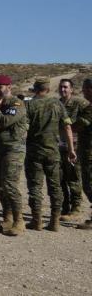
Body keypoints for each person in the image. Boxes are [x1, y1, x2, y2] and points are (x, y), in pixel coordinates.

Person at [24, 78, 76, 231]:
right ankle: (54, 222)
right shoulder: (57, 104)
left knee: (35, 187)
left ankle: (37, 220)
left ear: (35, 89)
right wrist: (71, 149)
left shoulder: (29, 105)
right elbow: (67, 127)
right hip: (53, 152)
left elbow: (24, 130)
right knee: (55, 187)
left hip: (34, 152)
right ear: (48, 89)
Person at [0, 75, 28, 235]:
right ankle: (7, 219)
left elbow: (4, 122)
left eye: (0, 87)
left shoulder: (16, 104)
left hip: (14, 150)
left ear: (9, 87)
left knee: (10, 185)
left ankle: (19, 221)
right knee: (0, 186)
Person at [58, 78, 89, 219]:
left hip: (75, 145)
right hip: (59, 144)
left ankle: (76, 208)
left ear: (71, 89)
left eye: (66, 87)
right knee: (60, 178)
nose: (63, 89)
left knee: (74, 177)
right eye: (61, 87)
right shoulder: (57, 103)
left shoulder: (80, 103)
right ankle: (64, 208)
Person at [74, 79, 92, 230]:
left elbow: (78, 126)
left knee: (89, 184)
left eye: (85, 88)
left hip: (89, 153)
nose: (83, 91)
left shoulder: (89, 109)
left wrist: (67, 124)